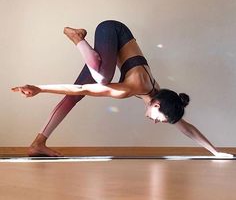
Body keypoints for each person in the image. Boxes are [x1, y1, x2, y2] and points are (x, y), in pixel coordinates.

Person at [12, 20, 232, 158]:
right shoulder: (132, 88)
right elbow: (82, 87)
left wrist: (216, 152)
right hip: (112, 29)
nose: (155, 122)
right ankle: (77, 38)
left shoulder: (157, 95)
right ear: (156, 105)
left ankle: (38, 143)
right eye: (159, 118)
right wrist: (39, 88)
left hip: (110, 48)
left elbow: (186, 128)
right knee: (100, 81)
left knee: (76, 95)